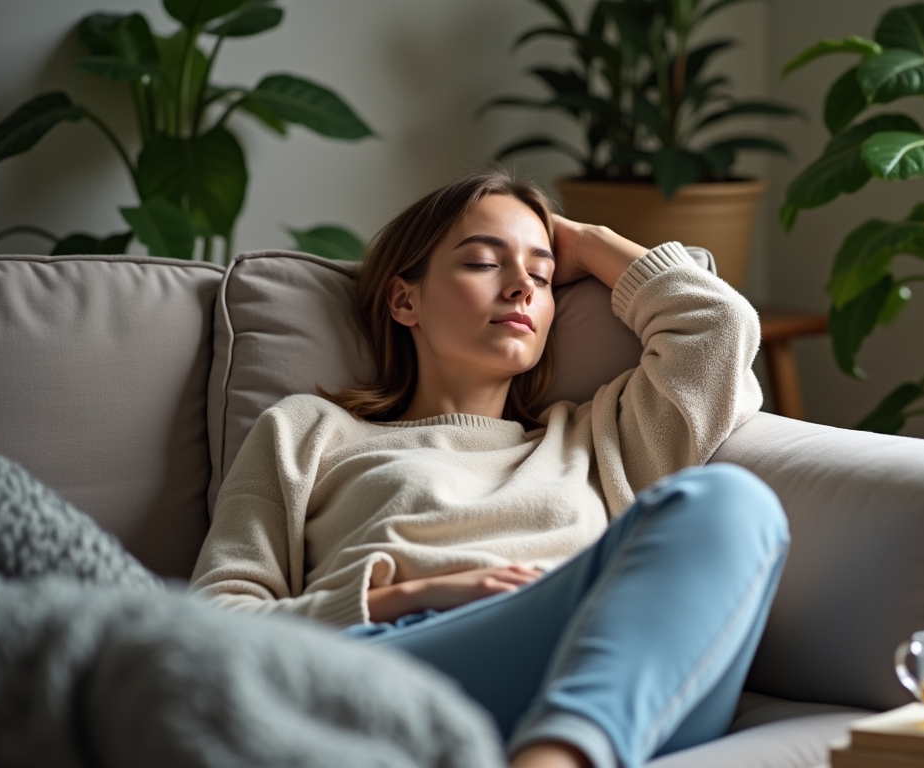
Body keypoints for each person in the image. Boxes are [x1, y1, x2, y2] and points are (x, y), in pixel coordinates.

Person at [188, 171, 789, 768]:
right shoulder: (310, 431)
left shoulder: (595, 438)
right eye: (483, 263)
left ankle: (565, 746)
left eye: (543, 275)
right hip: (399, 669)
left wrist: (587, 240)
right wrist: (418, 593)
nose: (521, 288)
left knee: (734, 503)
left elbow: (718, 329)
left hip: (597, 665)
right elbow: (216, 626)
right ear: (405, 299)